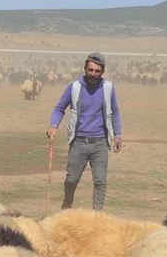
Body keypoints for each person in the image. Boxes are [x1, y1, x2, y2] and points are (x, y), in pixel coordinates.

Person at [47, 52, 122, 210]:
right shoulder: (75, 87)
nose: (93, 74)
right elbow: (60, 108)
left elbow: (115, 112)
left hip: (100, 142)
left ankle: (97, 215)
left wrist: (118, 135)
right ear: (85, 69)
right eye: (90, 70)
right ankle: (66, 207)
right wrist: (54, 125)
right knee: (71, 179)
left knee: (100, 181)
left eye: (97, 71)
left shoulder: (108, 88)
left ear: (102, 72)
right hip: (78, 142)